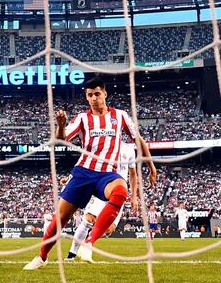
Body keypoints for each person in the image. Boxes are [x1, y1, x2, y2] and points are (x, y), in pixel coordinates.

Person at [24, 76, 157, 269]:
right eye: (89, 95)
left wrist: (151, 167)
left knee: (121, 191)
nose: (94, 98)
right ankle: (42, 257)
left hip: (107, 175)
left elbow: (139, 140)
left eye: (97, 94)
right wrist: (61, 125)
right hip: (83, 172)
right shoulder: (82, 119)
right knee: (60, 219)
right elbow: (61, 140)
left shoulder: (119, 116)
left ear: (105, 94)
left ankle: (89, 243)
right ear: (87, 98)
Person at [67, 142, 137, 259]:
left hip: (119, 192)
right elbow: (85, 164)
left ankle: (87, 242)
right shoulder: (103, 144)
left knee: (109, 229)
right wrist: (71, 178)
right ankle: (72, 254)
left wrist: (134, 196)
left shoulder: (129, 150)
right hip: (102, 188)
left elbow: (133, 175)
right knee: (88, 219)